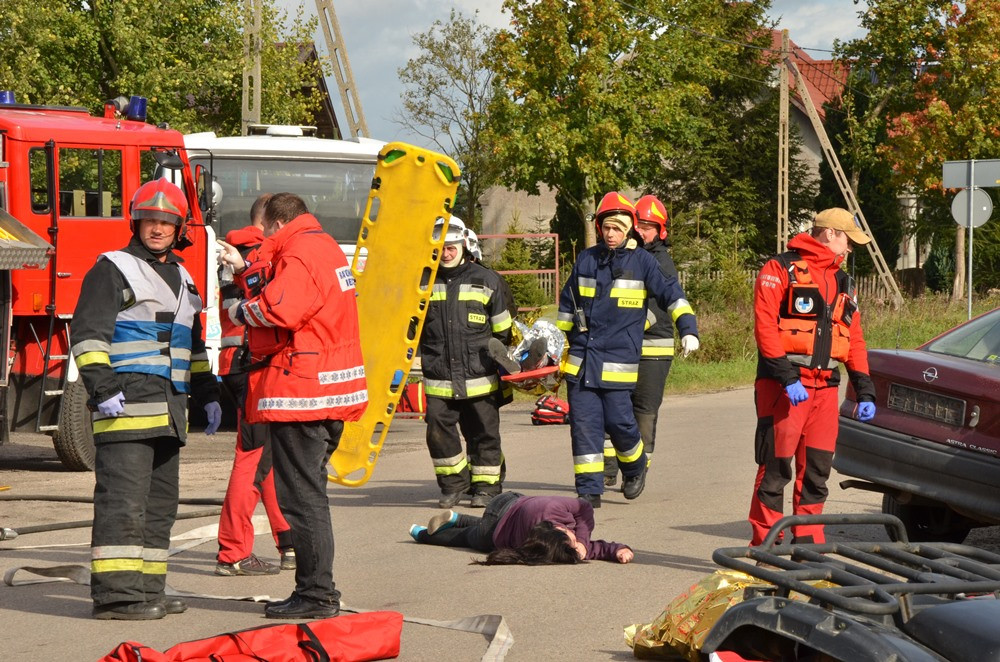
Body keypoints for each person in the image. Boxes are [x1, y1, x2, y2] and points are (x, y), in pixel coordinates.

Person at [71, 179, 221, 620]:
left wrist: (208, 393)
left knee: (159, 507)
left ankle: (147, 590)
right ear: (136, 223)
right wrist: (103, 389)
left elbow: (192, 347)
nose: (157, 228)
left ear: (179, 228)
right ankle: (117, 598)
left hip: (169, 412)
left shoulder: (184, 277)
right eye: (149, 221)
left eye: (166, 222)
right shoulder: (113, 268)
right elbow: (88, 336)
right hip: (125, 407)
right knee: (122, 504)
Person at [219, 192, 368, 619]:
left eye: (265, 229)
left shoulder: (300, 253)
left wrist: (239, 310)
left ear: (279, 223)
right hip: (325, 389)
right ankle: (315, 590)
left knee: (302, 500)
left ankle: (316, 594)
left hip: (302, 392)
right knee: (308, 496)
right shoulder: (323, 247)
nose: (263, 236)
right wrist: (246, 271)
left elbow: (279, 309)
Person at [556, 192, 698, 508]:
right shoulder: (586, 259)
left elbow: (672, 295)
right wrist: (558, 342)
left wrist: (688, 329)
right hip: (582, 361)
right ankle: (588, 492)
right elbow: (567, 305)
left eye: (617, 228)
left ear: (628, 229)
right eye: (606, 227)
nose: (611, 234)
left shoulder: (643, 262)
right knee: (584, 428)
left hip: (618, 363)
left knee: (621, 424)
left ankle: (634, 468)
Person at [748, 207, 877, 546]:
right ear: (830, 233)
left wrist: (865, 390)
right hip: (784, 386)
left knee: (817, 471)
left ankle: (808, 545)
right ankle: (765, 545)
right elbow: (765, 326)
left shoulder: (843, 281)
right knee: (775, 466)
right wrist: (786, 377)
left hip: (825, 389)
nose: (850, 248)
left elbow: (854, 339)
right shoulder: (779, 268)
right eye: (849, 240)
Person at [214, 193, 294, 577]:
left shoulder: (238, 253)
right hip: (253, 366)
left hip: (238, 363)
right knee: (252, 457)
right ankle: (233, 552)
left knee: (266, 458)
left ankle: (288, 541)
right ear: (269, 222)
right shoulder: (259, 253)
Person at [418, 216, 513, 509]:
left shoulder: (487, 280)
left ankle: (487, 488)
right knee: (437, 431)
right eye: (441, 248)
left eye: (451, 247)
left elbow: (503, 331)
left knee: (484, 434)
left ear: (463, 246)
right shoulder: (422, 283)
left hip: (480, 377)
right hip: (439, 378)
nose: (446, 253)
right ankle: (453, 484)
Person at [603, 195, 695, 487]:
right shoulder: (622, 256)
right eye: (638, 225)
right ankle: (607, 466)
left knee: (643, 411)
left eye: (648, 226)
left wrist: (623, 326)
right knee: (613, 406)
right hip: (621, 346)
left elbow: (660, 306)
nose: (641, 231)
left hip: (653, 348)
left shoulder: (661, 262)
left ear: (660, 231)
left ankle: (636, 471)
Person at [407, 493, 633, 564]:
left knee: (483, 527)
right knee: (464, 538)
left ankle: (457, 517)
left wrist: (618, 550)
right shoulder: (541, 532)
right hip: (496, 519)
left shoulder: (549, 534)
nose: (575, 537)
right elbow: (585, 507)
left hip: (510, 505)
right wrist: (584, 542)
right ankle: (422, 533)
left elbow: (586, 546)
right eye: (573, 537)